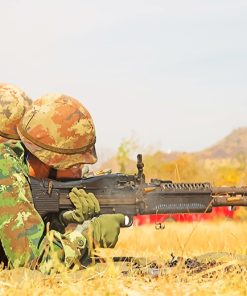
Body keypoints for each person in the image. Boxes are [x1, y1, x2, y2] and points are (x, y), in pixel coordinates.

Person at [0, 93, 124, 273]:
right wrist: (89, 235)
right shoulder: (5, 172)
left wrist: (62, 219)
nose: (80, 171)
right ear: (50, 160)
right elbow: (35, 261)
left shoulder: (18, 164)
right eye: (75, 164)